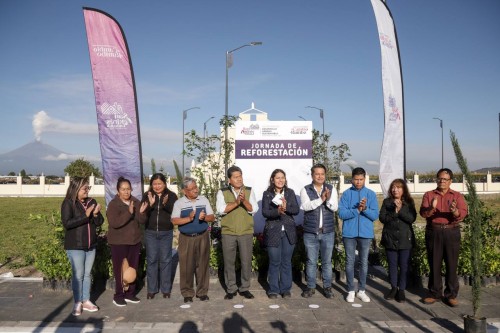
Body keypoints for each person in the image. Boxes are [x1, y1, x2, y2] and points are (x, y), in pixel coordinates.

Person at [420, 168, 467, 307]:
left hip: (451, 232)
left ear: (450, 181)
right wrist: (431, 208)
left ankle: (451, 294)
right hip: (434, 232)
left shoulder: (457, 196)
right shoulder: (429, 195)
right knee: (434, 263)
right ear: (437, 179)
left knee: (452, 263)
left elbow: (463, 213)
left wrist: (455, 211)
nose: (442, 181)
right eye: (440, 178)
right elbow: (423, 213)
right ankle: (435, 293)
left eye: (445, 179)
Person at [61, 177, 104, 316]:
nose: (87, 190)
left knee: (87, 274)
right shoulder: (68, 203)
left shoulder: (92, 201)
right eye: (85, 188)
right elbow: (67, 223)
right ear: (76, 189)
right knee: (78, 275)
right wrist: (85, 216)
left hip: (91, 245)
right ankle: (77, 302)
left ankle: (86, 300)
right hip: (75, 245)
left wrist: (96, 214)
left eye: (88, 188)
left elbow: (99, 222)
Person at [216, 165, 258, 300]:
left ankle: (245, 288)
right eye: (235, 177)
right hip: (228, 232)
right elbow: (220, 209)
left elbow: (253, 209)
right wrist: (236, 202)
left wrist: (243, 200)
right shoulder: (222, 192)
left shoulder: (249, 191)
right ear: (229, 180)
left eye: (240, 176)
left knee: (246, 261)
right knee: (229, 261)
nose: (239, 179)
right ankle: (231, 288)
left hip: (246, 231)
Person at [171, 177, 215, 303]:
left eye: (196, 187)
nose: (196, 190)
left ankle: (202, 292)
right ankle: (187, 293)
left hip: (202, 236)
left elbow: (212, 217)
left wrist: (205, 217)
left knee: (202, 264)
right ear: (185, 191)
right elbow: (174, 220)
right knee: (186, 266)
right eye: (192, 189)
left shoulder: (204, 199)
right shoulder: (179, 203)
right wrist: (188, 219)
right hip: (186, 238)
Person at [338, 167, 378, 303]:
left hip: (366, 234)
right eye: (356, 179)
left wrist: (365, 209)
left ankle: (361, 290)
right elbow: (341, 214)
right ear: (352, 179)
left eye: (361, 179)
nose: (358, 182)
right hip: (349, 233)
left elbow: (375, 216)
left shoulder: (371, 194)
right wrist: (356, 210)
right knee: (350, 262)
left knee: (363, 262)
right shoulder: (346, 194)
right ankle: (350, 289)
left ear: (365, 179)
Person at [106, 176, 148, 307]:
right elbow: (114, 223)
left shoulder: (135, 202)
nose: (126, 192)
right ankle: (118, 295)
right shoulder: (113, 204)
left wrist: (141, 213)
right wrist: (129, 213)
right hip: (119, 242)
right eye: (123, 189)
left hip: (134, 241)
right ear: (118, 191)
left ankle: (130, 293)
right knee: (119, 269)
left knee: (132, 268)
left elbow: (142, 221)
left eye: (128, 189)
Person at [300, 163, 338, 299]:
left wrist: (327, 200)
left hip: (327, 232)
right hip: (311, 232)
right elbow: (306, 206)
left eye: (322, 174)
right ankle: (310, 287)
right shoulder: (305, 190)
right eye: (317, 174)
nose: (320, 176)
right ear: (312, 175)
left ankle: (327, 287)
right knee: (311, 261)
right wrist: (320, 199)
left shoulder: (331, 189)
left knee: (327, 261)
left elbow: (334, 208)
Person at [261, 169, 300, 299]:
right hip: (273, 231)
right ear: (272, 179)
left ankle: (285, 289)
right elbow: (265, 212)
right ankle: (273, 289)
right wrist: (277, 211)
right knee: (274, 261)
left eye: (282, 177)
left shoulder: (290, 193)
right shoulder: (267, 194)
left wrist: (286, 207)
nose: (280, 180)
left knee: (286, 261)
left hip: (288, 231)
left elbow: (296, 210)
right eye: (277, 178)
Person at [379, 178, 417, 303]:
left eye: (398, 187)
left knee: (404, 266)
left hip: (405, 239)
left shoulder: (409, 202)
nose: (395, 190)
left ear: (403, 189)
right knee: (393, 265)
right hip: (390, 239)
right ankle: (394, 288)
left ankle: (402, 289)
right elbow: (383, 218)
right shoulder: (387, 202)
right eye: (393, 187)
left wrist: (400, 211)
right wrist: (395, 212)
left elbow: (411, 218)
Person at [141, 173, 178, 300]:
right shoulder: (147, 195)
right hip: (150, 232)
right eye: (154, 184)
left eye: (159, 184)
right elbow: (142, 213)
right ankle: (152, 289)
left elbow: (175, 212)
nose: (157, 186)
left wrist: (165, 203)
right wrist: (150, 205)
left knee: (166, 260)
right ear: (151, 184)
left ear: (164, 184)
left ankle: (166, 289)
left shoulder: (171, 196)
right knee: (151, 260)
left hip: (166, 232)